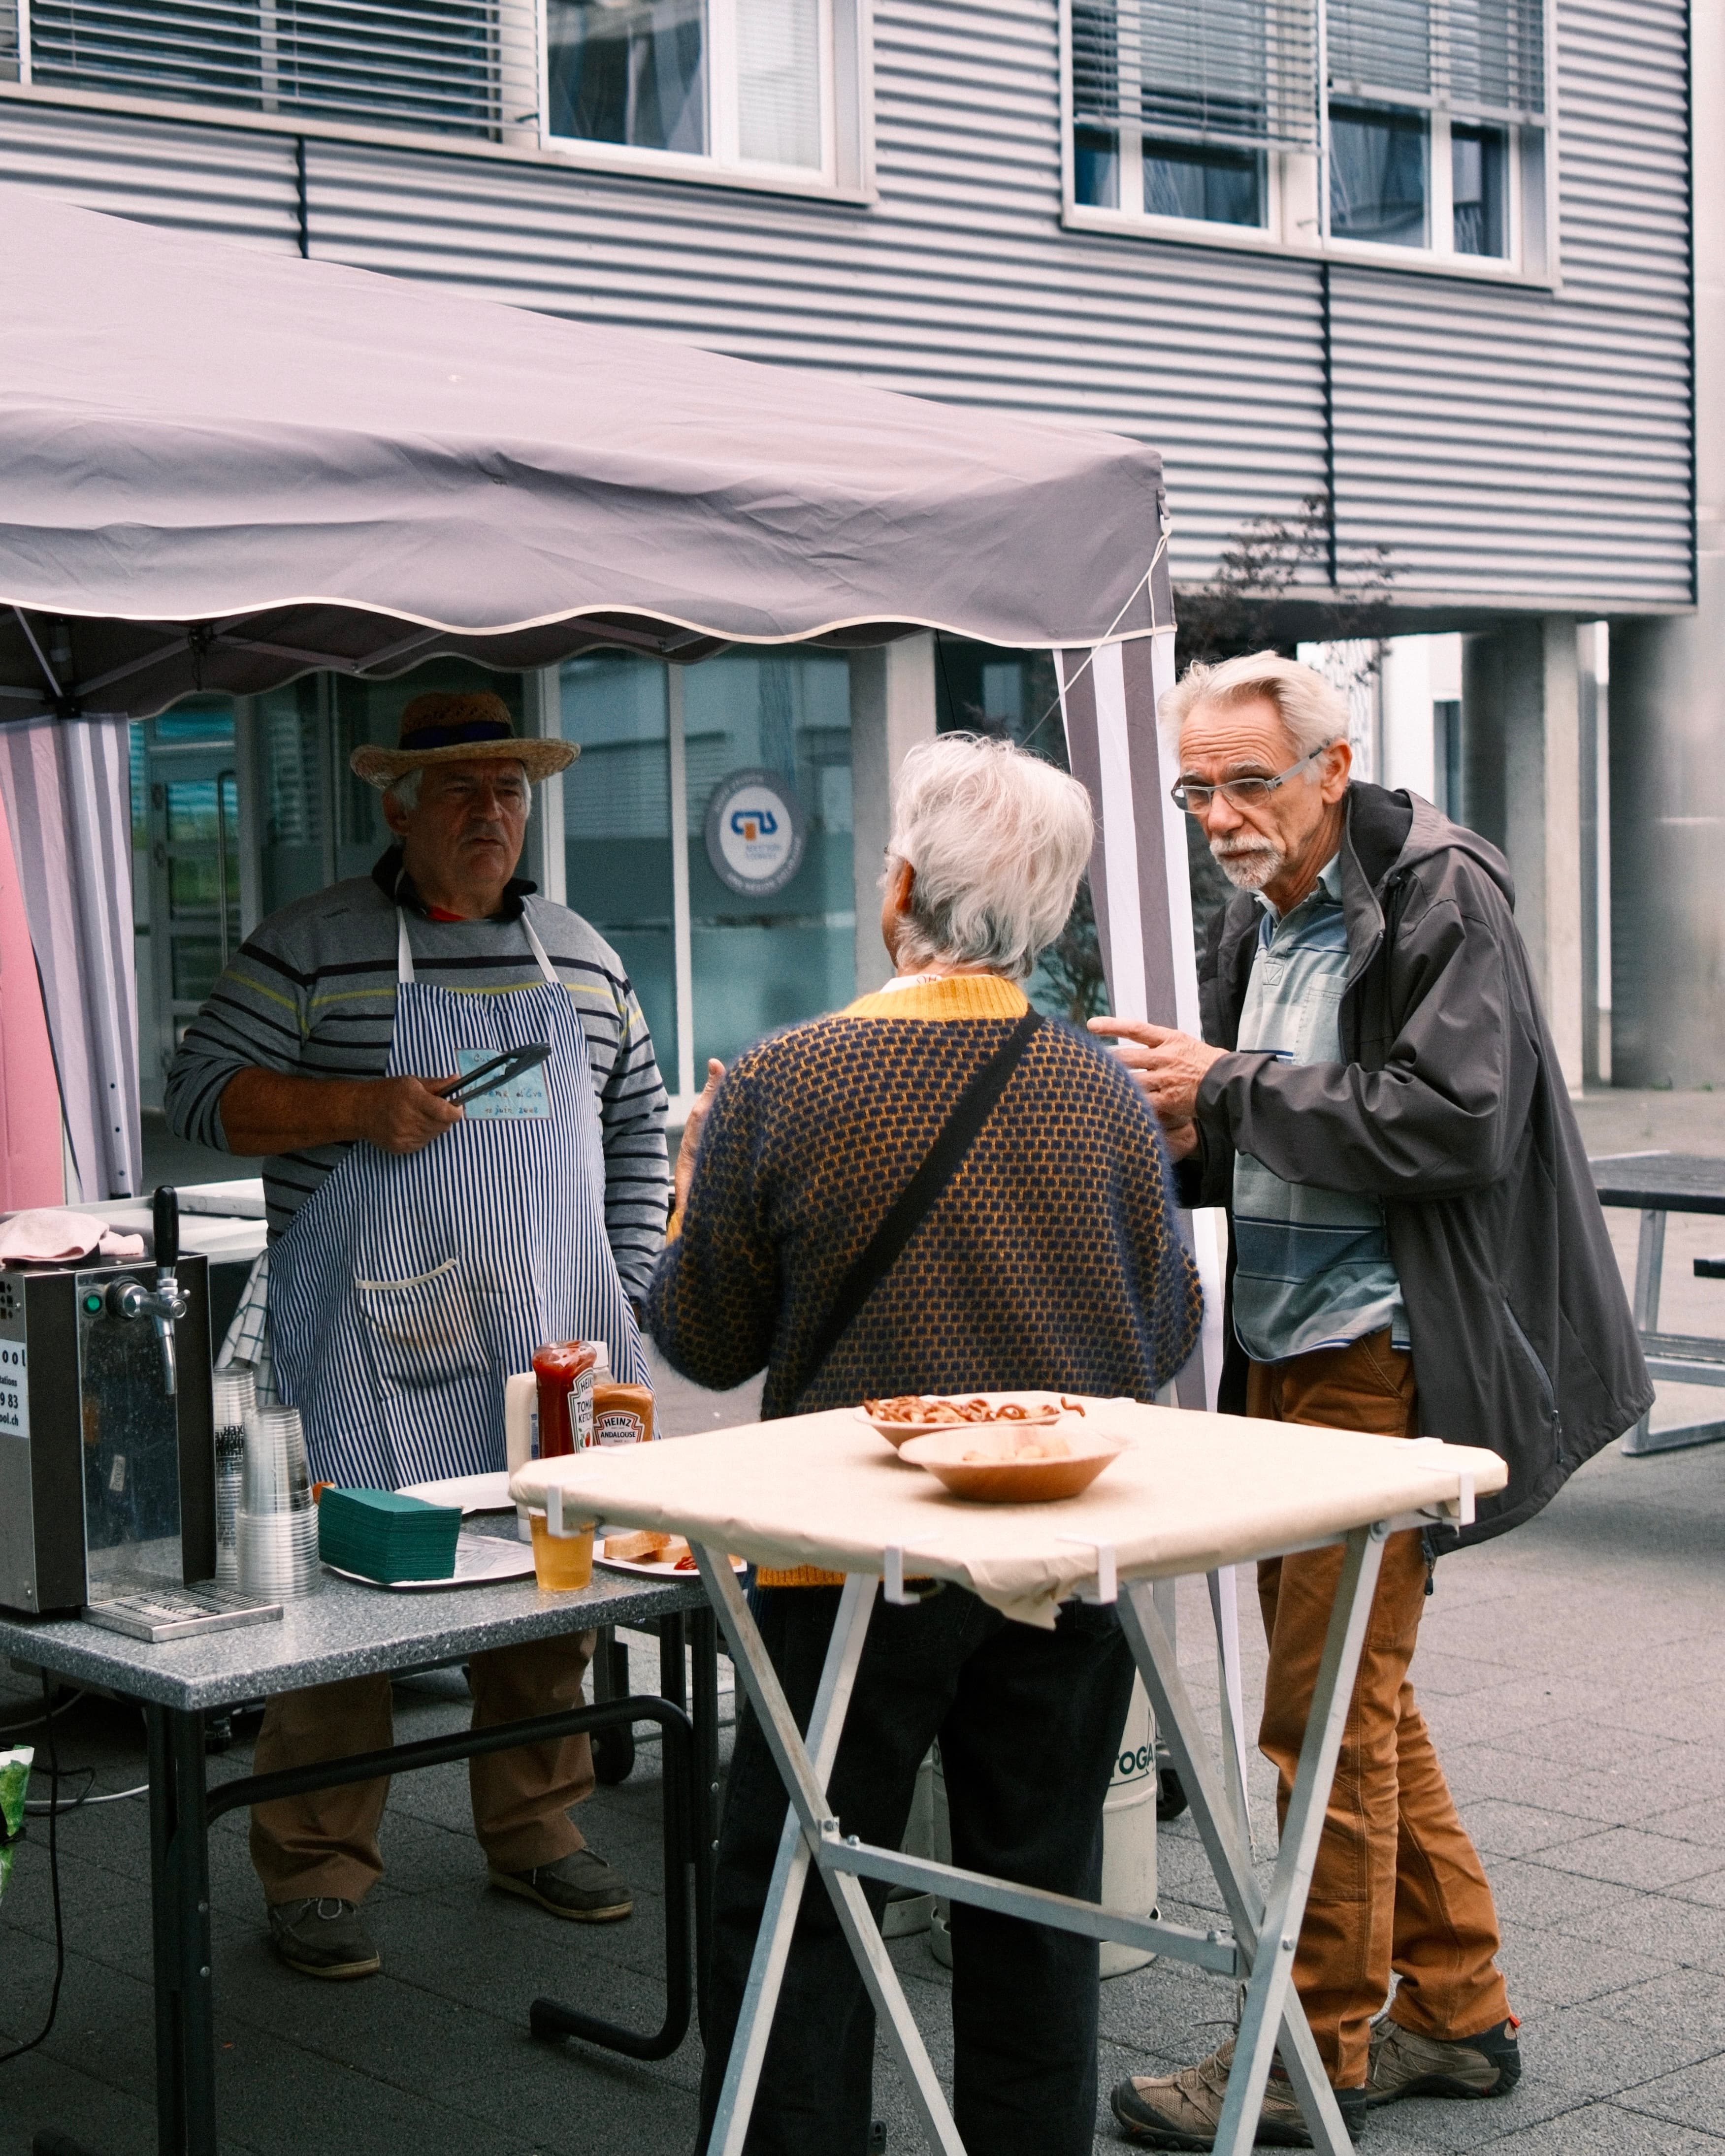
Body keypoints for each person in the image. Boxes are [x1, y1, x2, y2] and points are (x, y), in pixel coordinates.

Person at [1092, 652, 1652, 2146]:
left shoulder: (1441, 894)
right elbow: (1256, 1124)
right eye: (1194, 789)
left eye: (1248, 782)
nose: (1218, 815)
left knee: (1317, 1712)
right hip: (1283, 1346)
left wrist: (1221, 1086)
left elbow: (1455, 1124)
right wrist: (1137, 1108)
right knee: (1360, 1694)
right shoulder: (1264, 904)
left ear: (1336, 768)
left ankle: (1310, 2046)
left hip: (1385, 1350)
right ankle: (1459, 2012)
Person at [651, 732, 1204, 2156]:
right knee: (1037, 1894)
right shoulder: (1110, 1100)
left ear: (899, 884)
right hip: (1059, 1559)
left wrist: (694, 1175)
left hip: (847, 1568)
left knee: (795, 1886)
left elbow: (703, 1339)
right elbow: (1162, 1340)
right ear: (1054, 913)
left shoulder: (785, 1081)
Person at [165, 689, 669, 1979]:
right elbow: (204, 1097)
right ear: (397, 804)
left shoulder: (588, 959)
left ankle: (537, 1824)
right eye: (460, 789)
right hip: (367, 1342)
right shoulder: (311, 944)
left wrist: (623, 1289)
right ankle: (319, 1868)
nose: (490, 811)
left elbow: (635, 1132)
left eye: (508, 788)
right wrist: (352, 1104)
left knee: (551, 1595)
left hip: (550, 1343)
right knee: (342, 1613)